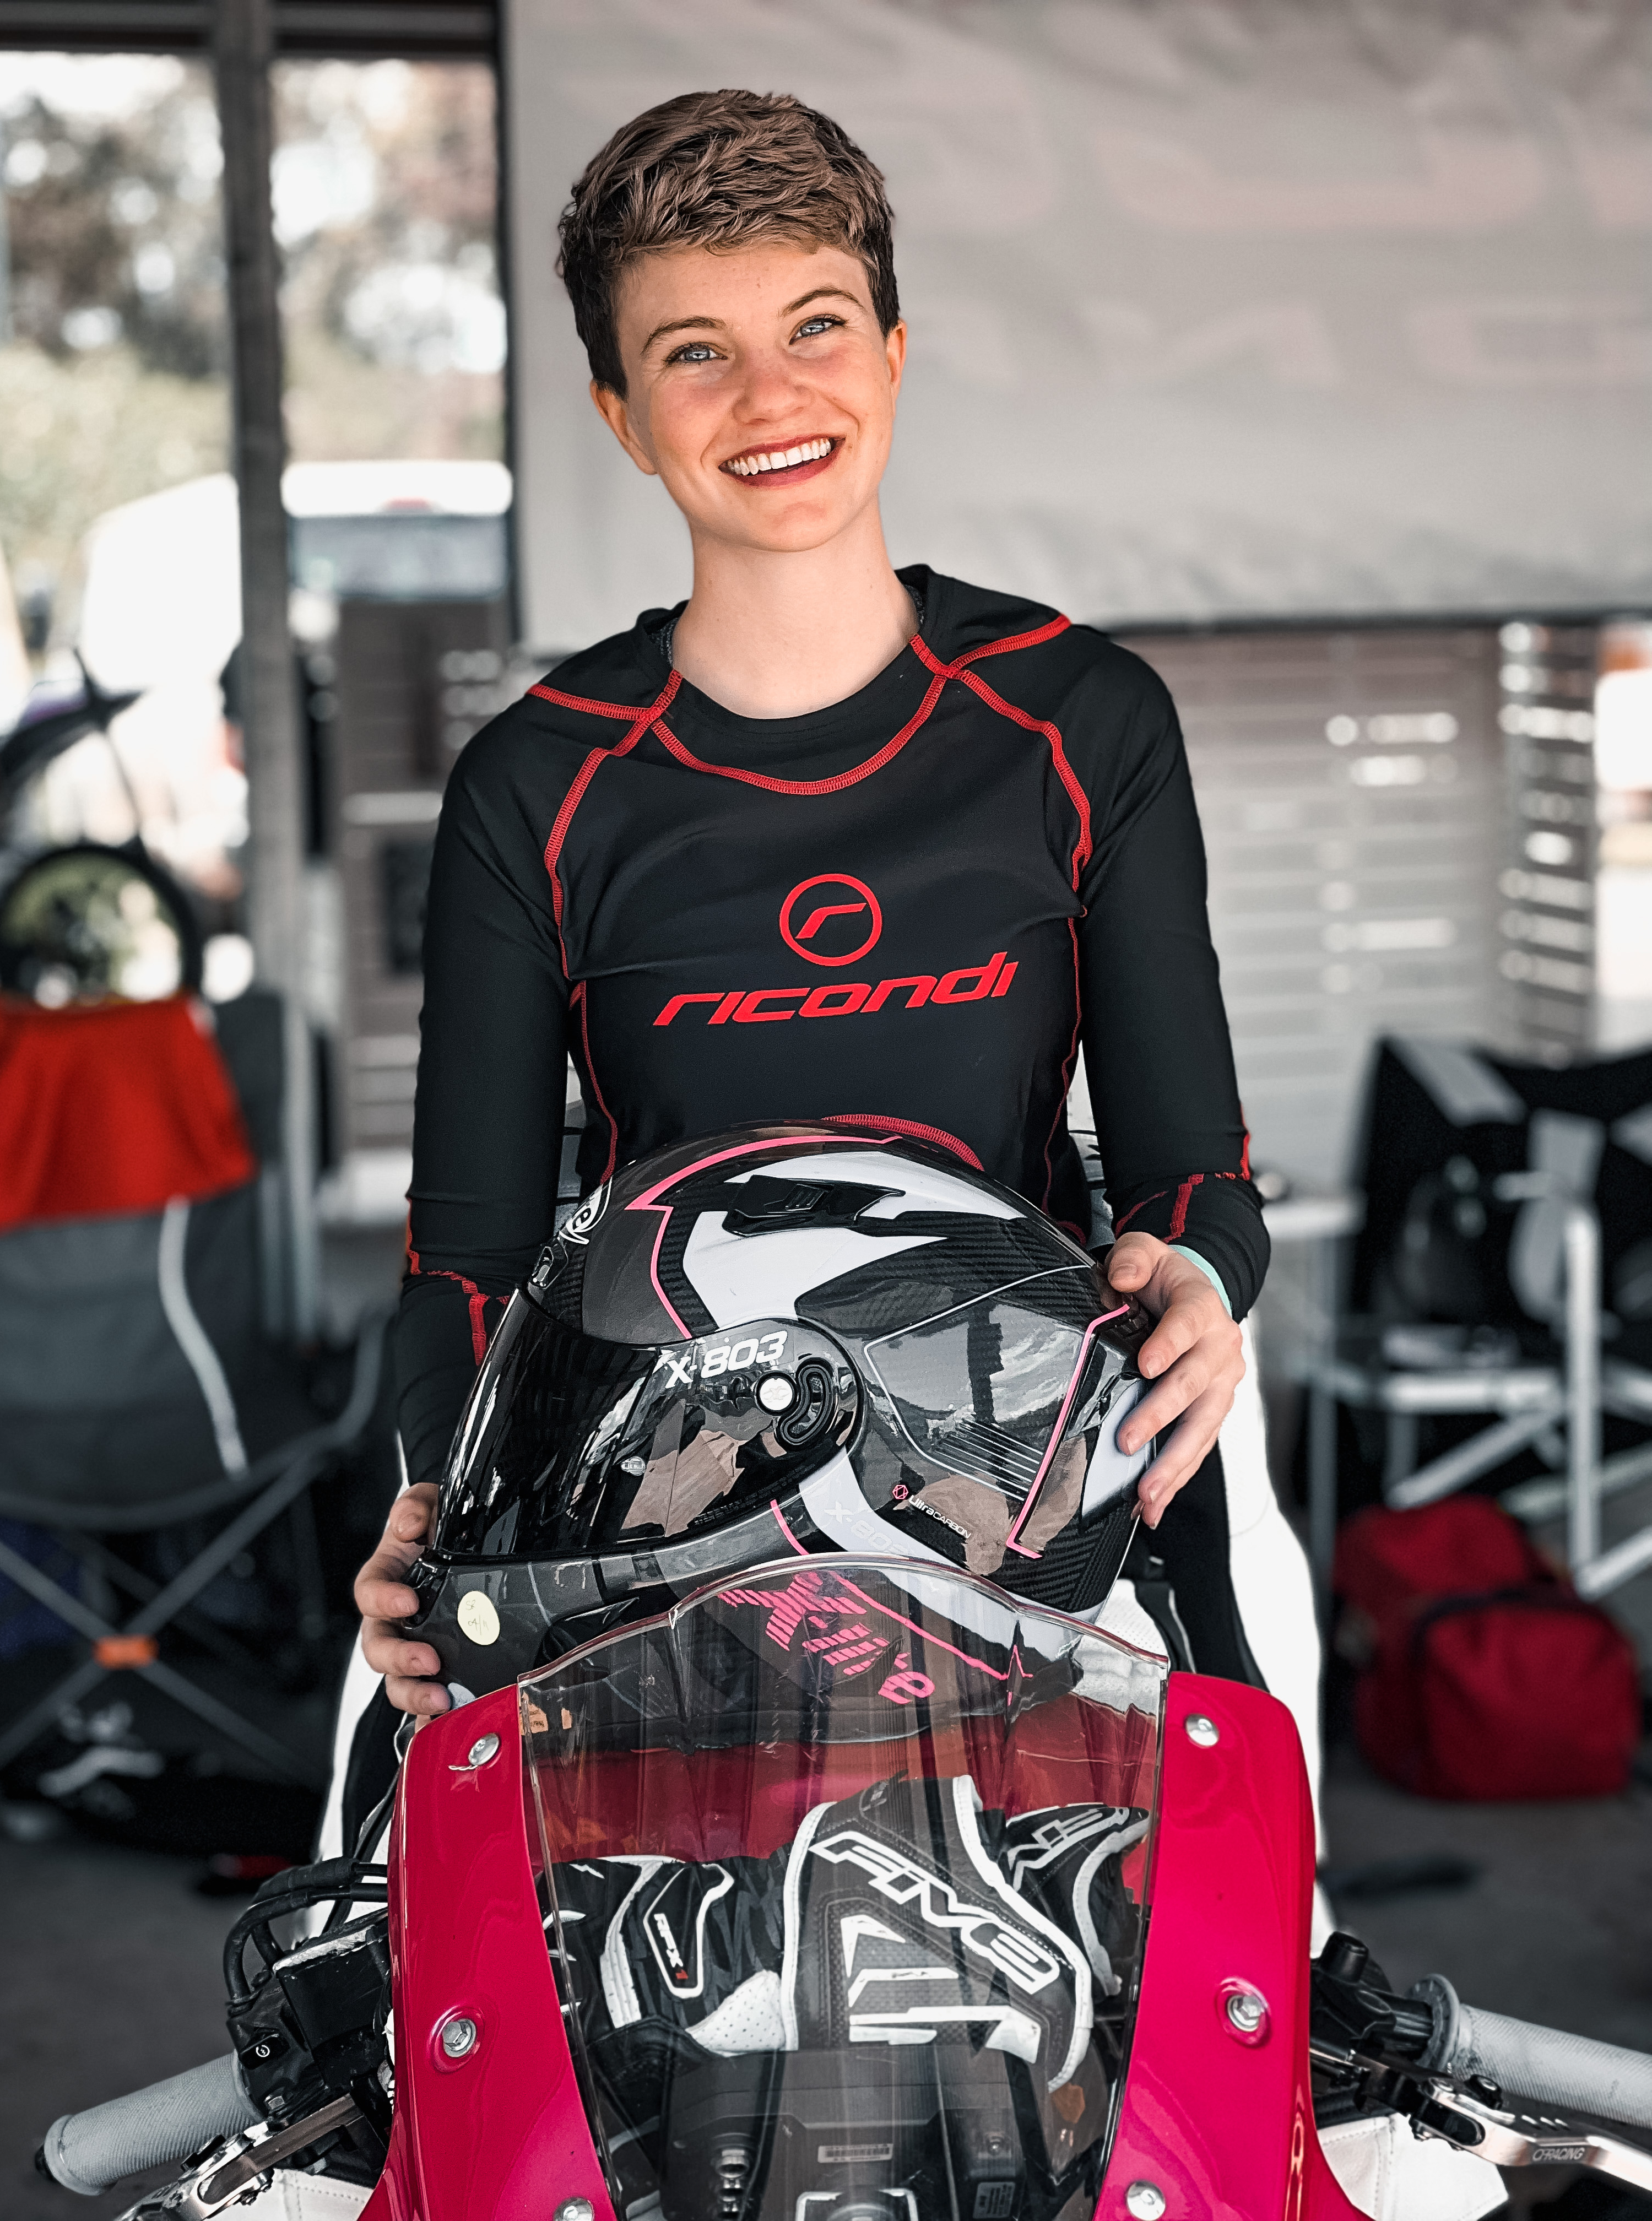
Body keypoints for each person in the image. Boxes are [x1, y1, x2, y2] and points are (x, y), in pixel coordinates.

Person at [350, 87, 1309, 1760]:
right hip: (648, 1488)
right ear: (622, 413)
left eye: (815, 326)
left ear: (892, 349)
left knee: (1258, 1965)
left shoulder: (1078, 719)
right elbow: (467, 1263)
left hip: (1035, 1470)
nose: (773, 395)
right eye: (695, 352)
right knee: (392, 1911)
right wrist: (438, 1501)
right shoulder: (540, 785)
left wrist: (1203, 1287)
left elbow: (1192, 1181)